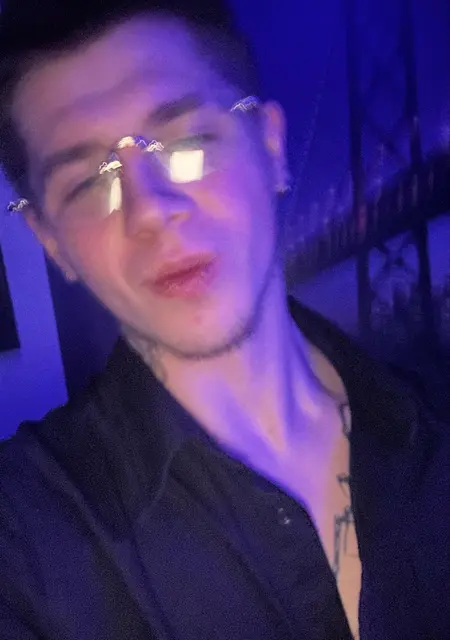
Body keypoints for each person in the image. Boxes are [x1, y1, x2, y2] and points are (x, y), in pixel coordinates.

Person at [0, 0, 448, 638]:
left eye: (187, 143)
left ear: (271, 146)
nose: (150, 211)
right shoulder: (23, 543)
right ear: (51, 243)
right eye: (90, 183)